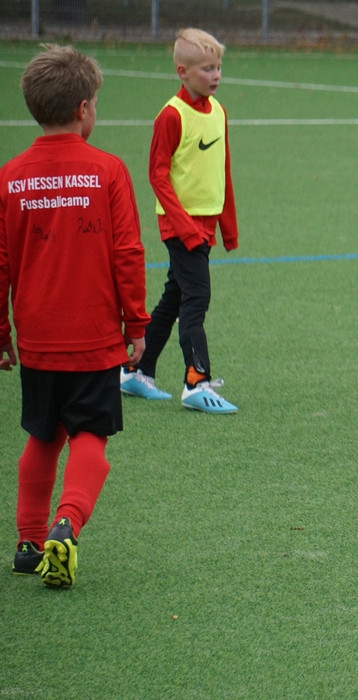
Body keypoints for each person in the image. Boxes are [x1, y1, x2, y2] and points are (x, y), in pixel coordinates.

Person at [1, 45, 150, 587]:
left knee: (43, 435)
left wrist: (1, 332)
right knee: (90, 434)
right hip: (92, 336)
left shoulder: (10, 176)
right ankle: (66, 525)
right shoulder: (107, 170)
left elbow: (1, 263)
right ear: (84, 108)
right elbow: (127, 253)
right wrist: (137, 325)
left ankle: (27, 542)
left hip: (38, 337)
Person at [119, 27, 240, 412]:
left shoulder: (219, 111)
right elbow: (157, 177)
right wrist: (186, 229)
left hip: (204, 227)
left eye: (218, 67)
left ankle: (136, 371)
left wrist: (228, 227)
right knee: (197, 298)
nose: (215, 75)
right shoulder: (171, 116)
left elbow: (222, 171)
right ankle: (196, 381)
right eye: (207, 68)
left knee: (175, 297)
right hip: (180, 228)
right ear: (182, 72)